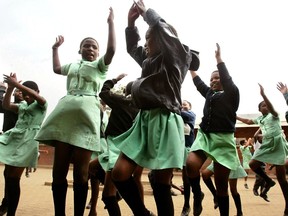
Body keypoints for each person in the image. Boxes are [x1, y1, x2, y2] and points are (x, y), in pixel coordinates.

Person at [110, 1, 198, 216]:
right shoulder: (149, 61)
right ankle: (142, 213)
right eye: (146, 38)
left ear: (164, 39)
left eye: (150, 37)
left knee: (161, 184)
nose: (146, 42)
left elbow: (166, 33)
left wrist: (147, 14)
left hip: (165, 120)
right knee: (119, 173)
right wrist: (131, 26)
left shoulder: (175, 58)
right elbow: (133, 48)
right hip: (143, 121)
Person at [34, 7, 116, 216]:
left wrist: (110, 24)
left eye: (94, 47)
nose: (90, 48)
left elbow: (112, 50)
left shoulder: (100, 67)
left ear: (98, 53)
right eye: (86, 46)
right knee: (58, 171)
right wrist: (55, 49)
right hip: (64, 116)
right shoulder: (72, 65)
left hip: (87, 116)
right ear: (79, 50)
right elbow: (56, 69)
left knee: (81, 173)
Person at [186, 43, 240, 216]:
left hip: (224, 140)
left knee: (222, 187)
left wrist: (219, 60)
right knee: (191, 165)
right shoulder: (209, 93)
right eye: (212, 79)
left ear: (224, 80)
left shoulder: (232, 93)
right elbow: (198, 82)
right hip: (205, 136)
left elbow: (227, 80)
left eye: (217, 78)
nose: (214, 81)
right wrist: (190, 67)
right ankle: (197, 195)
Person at [98, 73, 146, 216]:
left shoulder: (122, 101)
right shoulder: (143, 110)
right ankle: (135, 206)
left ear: (126, 93)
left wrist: (114, 80)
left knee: (108, 194)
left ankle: (141, 211)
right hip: (129, 150)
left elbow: (103, 92)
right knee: (93, 167)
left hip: (116, 148)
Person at [236, 83, 288, 215]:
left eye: (267, 105)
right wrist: (235, 116)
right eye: (263, 105)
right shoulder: (260, 119)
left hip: (277, 144)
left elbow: (271, 107)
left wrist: (264, 95)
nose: (266, 106)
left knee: (282, 178)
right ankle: (268, 180)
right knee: (253, 164)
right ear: (260, 109)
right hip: (266, 145)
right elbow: (248, 122)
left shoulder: (274, 115)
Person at [0, 73, 47, 215]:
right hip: (13, 139)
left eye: (28, 93)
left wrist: (18, 85)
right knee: (8, 175)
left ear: (36, 92)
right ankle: (6, 205)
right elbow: (6, 105)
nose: (26, 96)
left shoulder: (41, 105)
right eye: (23, 93)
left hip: (27, 142)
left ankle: (11, 213)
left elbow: (36, 97)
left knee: (14, 179)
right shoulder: (22, 105)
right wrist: (9, 89)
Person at [0, 82, 23, 216]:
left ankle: (7, 206)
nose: (19, 93)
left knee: (12, 176)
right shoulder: (9, 105)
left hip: (19, 142)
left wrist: (3, 88)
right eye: (17, 91)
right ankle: (6, 204)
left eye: (22, 91)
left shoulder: (25, 106)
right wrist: (6, 89)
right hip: (9, 140)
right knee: (8, 174)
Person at [180, 100, 196, 216]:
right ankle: (198, 192)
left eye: (185, 104)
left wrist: (174, 106)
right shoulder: (175, 117)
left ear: (190, 107)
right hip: (176, 150)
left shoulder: (190, 115)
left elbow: (182, 114)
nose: (182, 105)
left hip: (187, 149)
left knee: (186, 179)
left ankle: (186, 205)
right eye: (181, 104)